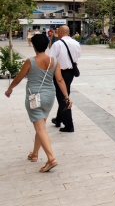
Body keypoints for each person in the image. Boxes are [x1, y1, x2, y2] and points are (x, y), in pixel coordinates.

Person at [4, 34, 72, 173]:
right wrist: (66, 97)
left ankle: (51, 158)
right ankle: (34, 154)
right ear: (47, 45)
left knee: (40, 128)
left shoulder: (30, 61)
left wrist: (9, 89)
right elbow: (59, 80)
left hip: (34, 97)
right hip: (49, 97)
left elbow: (18, 78)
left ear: (34, 46)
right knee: (40, 126)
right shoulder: (54, 61)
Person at [48, 25, 81, 132]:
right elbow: (77, 56)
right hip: (71, 72)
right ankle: (58, 119)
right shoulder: (76, 43)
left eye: (58, 32)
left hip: (60, 72)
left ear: (61, 32)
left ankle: (69, 125)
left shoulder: (57, 44)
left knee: (63, 97)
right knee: (64, 94)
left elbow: (51, 59)